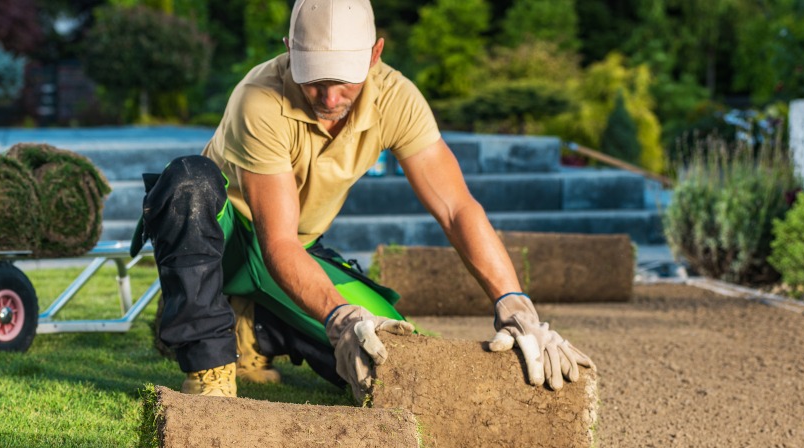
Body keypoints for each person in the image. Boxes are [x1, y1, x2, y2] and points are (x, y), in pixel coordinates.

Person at [132, 0, 593, 399]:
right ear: (291, 51)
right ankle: (205, 352)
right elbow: (276, 245)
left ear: (376, 54)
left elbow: (456, 208)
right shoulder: (259, 99)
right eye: (314, 80)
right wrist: (339, 317)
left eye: (345, 83)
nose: (329, 98)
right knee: (188, 181)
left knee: (389, 352)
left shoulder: (397, 99)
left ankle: (249, 328)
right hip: (226, 240)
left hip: (296, 250)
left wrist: (515, 305)